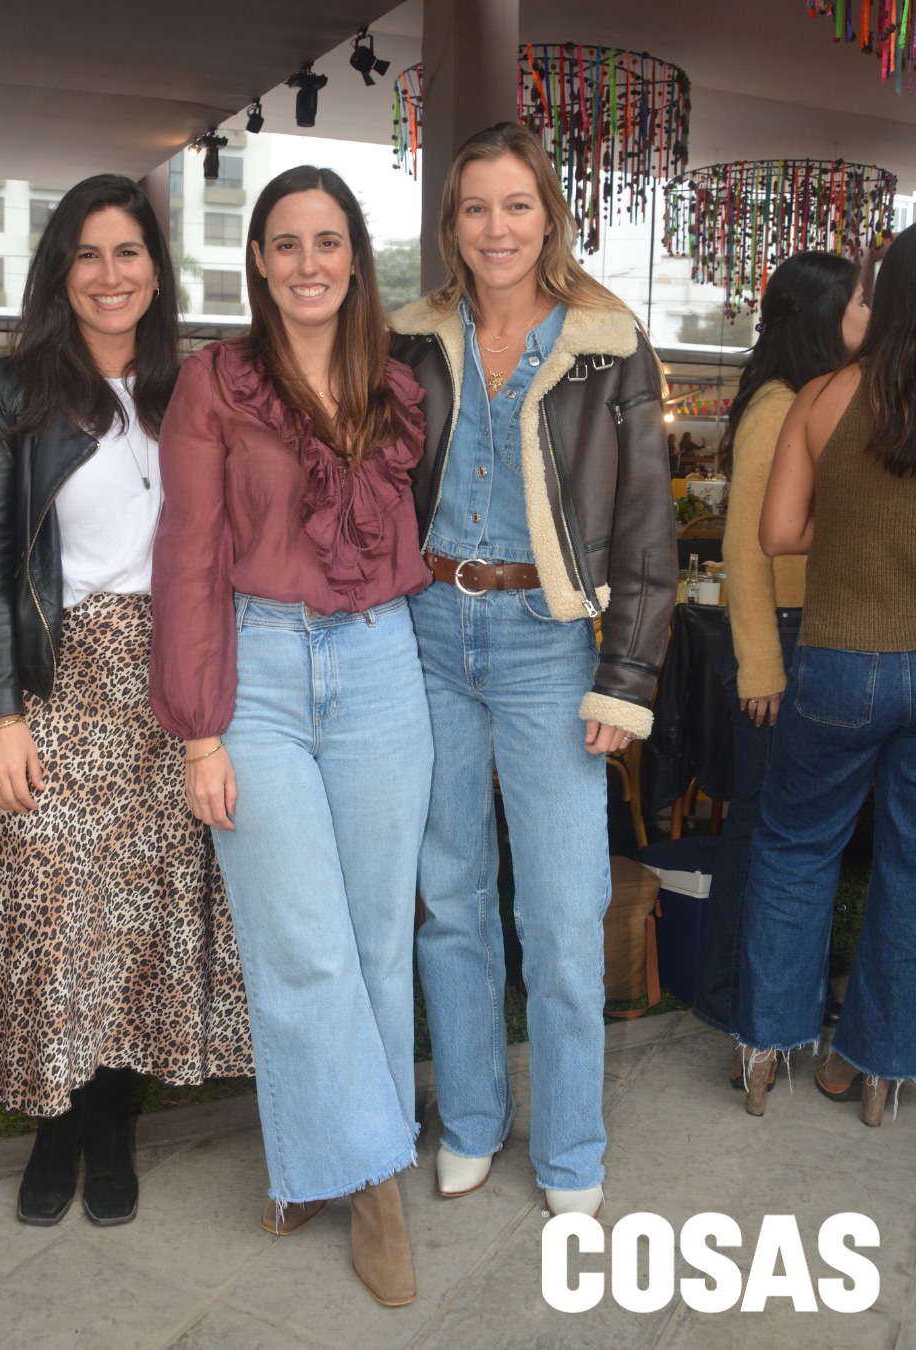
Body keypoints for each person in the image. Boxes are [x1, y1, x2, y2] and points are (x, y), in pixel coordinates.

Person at [150, 165, 432, 1307]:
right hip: (256, 676)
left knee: (373, 942)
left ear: (355, 256)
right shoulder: (215, 382)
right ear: (259, 262)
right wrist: (199, 733)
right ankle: (375, 1185)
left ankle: (318, 1156)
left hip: (380, 666)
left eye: (328, 240)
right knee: (301, 945)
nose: (308, 262)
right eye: (285, 243)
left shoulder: (401, 385)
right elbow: (186, 558)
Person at [0, 173, 251, 1228]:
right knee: (48, 905)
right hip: (54, 675)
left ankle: (115, 1117)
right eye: (88, 253)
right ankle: (56, 1119)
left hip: (175, 682)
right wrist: (1, 715)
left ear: (156, 273)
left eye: (129, 253)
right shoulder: (9, 390)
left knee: (147, 908)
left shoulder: (199, 389)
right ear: (60, 270)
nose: (110, 274)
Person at [390, 124, 676, 1218]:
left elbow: (649, 530)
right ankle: (469, 1118)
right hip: (426, 632)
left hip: (551, 645)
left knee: (562, 913)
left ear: (548, 216)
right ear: (451, 224)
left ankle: (569, 1148)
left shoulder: (609, 344)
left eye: (516, 206)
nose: (496, 228)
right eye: (474, 208)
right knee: (450, 899)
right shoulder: (414, 340)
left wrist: (630, 679)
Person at [733, 223, 916, 1123]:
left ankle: (768, 1052)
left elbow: (775, 537)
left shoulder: (821, 396)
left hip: (842, 655)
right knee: (912, 868)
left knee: (796, 847)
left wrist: (848, 534)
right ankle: (878, 1069)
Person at [693, 253, 869, 1063]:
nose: (870, 318)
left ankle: (747, 992)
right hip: (786, 639)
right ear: (823, 317)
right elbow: (745, 548)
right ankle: (736, 996)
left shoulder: (815, 400)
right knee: (765, 831)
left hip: (810, 632)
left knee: (768, 829)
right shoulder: (777, 406)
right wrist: (760, 664)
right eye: (859, 305)